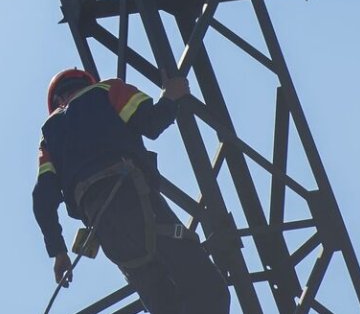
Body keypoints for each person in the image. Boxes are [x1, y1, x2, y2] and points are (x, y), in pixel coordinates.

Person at [33, 68, 230, 314]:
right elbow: (152, 122)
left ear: (57, 101)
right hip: (135, 199)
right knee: (210, 291)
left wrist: (58, 251)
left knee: (165, 307)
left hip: (109, 232)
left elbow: (43, 198)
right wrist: (172, 97)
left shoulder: (49, 134)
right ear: (86, 82)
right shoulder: (107, 90)